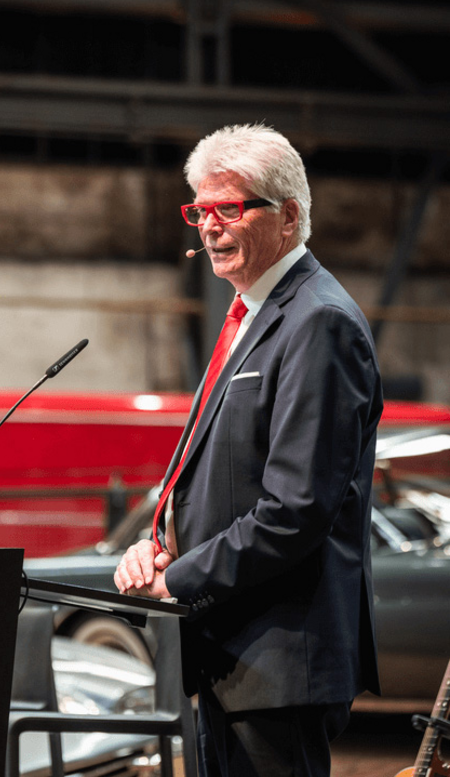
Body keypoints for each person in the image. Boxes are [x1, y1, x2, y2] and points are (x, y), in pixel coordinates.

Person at [114, 124, 382, 777]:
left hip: (279, 662)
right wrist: (160, 542)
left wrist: (175, 579)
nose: (208, 227)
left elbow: (296, 508)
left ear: (288, 216)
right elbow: (220, 474)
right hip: (233, 654)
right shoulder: (253, 316)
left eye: (228, 209)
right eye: (199, 211)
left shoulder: (318, 321)